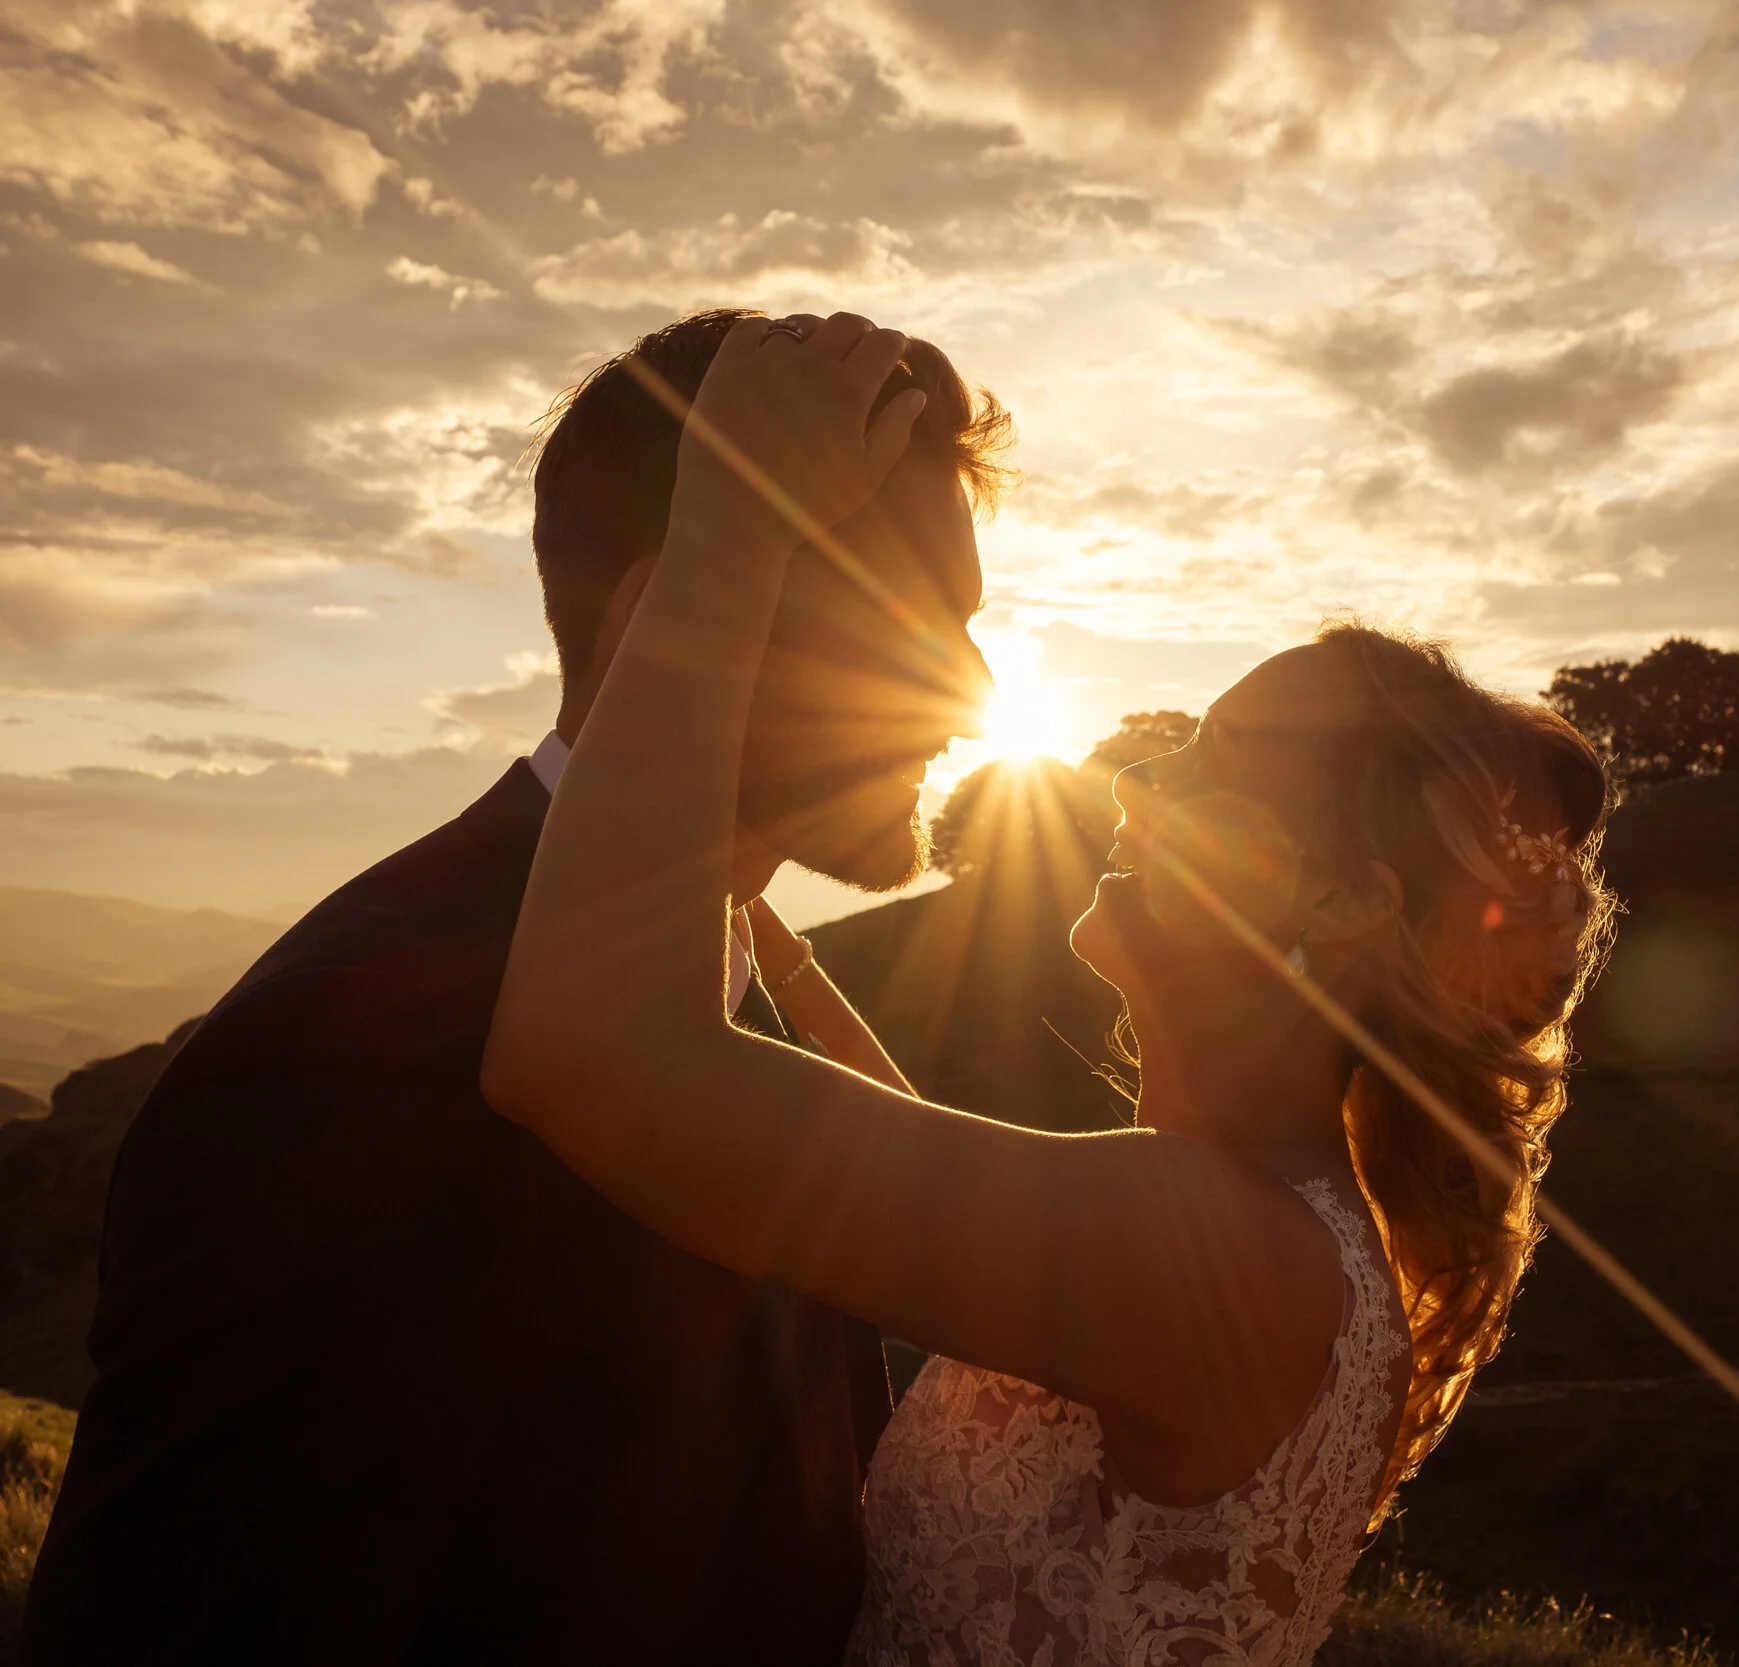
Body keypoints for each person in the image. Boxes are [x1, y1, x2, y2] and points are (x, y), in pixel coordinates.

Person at [479, 314, 1619, 1664]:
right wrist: (744, 887)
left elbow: (590, 1051)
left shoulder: (1209, 1253)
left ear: (1343, 904)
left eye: (1221, 766)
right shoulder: (1247, 1224)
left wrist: (734, 522)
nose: (1141, 780)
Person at [24, 308, 1008, 1665]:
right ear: (673, 613)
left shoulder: (743, 993)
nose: (972, 692)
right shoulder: (342, 1053)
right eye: (911, 625)